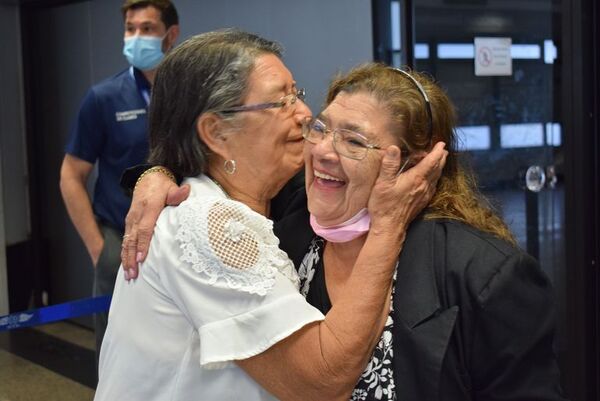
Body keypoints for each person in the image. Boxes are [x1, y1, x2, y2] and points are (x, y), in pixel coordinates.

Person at [123, 62, 569, 400]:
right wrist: (155, 174)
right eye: (321, 128)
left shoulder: (482, 274)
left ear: (415, 166)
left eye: (354, 141)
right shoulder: (291, 214)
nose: (321, 152)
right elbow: (218, 166)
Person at [95, 30, 446, 401]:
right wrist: (389, 225)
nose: (304, 114)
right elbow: (322, 382)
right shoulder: (210, 222)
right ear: (216, 132)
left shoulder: (276, 199)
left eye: (298, 94)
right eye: (281, 103)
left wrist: (156, 171)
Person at [58, 0, 180, 359]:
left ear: (170, 35)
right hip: (119, 233)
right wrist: (100, 249)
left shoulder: (189, 94)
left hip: (174, 233)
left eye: (147, 28)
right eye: (130, 28)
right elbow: (70, 175)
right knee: (116, 347)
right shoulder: (103, 98)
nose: (136, 37)